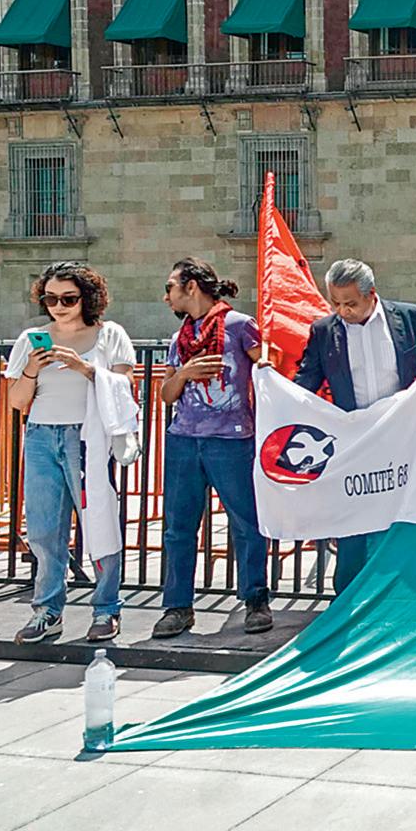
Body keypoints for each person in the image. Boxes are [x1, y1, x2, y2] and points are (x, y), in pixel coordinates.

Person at [4, 262, 134, 644]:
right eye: (50, 299)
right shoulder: (31, 339)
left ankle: (106, 608)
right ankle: (47, 610)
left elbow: (126, 385)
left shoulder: (109, 334)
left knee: (99, 521)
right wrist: (31, 368)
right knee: (43, 528)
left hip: (87, 435)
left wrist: (85, 368)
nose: (58, 306)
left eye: (68, 298)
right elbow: (16, 401)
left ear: (86, 298)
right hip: (42, 435)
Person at [294, 259, 416, 591]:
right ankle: (347, 600)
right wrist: (274, 390)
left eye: (350, 303)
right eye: (335, 303)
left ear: (371, 293)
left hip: (402, 437)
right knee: (353, 524)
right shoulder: (323, 331)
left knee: (403, 520)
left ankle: (401, 596)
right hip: (354, 443)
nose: (342, 311)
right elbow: (306, 381)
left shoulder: (410, 318)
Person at [151, 258, 272, 640]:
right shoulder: (180, 338)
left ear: (191, 287)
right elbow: (167, 394)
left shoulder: (239, 326)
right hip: (184, 440)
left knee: (246, 522)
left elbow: (268, 367)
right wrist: (186, 373)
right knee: (178, 528)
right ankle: (178, 606)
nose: (166, 296)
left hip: (232, 439)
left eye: (170, 287)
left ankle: (255, 599)